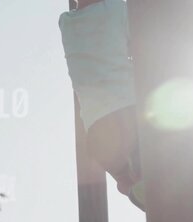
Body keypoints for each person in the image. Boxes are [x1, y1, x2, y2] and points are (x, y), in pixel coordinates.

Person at [59, 0, 145, 210]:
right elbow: (143, 45)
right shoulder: (117, 8)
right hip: (127, 114)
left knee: (125, 177)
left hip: (96, 132)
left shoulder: (66, 22)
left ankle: (131, 184)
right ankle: (137, 184)